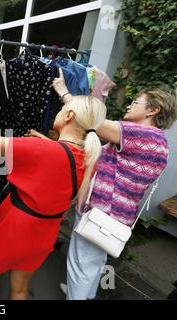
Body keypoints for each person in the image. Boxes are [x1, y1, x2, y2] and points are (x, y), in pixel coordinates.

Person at [0, 90, 107, 300]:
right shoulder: (89, 158)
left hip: (15, 225)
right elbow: (61, 157)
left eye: (63, 108)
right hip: (46, 230)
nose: (59, 111)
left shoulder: (41, 149)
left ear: (69, 116)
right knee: (20, 289)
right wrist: (46, 142)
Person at [52, 72, 177, 300]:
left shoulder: (143, 134)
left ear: (153, 110)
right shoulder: (159, 141)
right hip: (115, 215)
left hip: (101, 212)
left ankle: (76, 296)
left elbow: (89, 119)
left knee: (82, 263)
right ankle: (80, 294)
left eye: (135, 102)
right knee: (92, 263)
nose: (129, 105)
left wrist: (63, 91)